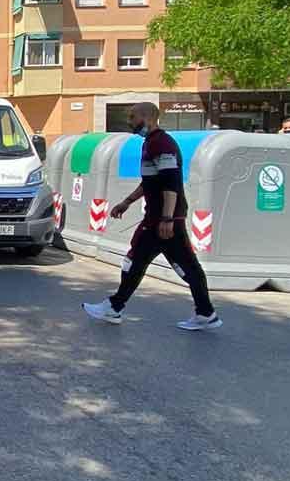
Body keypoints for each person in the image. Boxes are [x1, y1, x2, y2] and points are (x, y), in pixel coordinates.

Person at [82, 102, 222, 331]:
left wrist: (167, 219)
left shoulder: (162, 144)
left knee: (161, 264)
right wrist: (127, 202)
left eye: (132, 116)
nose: (129, 121)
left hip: (163, 221)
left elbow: (170, 183)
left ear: (146, 117)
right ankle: (204, 312)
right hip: (158, 219)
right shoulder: (150, 143)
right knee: (144, 262)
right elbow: (150, 182)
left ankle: (115, 307)